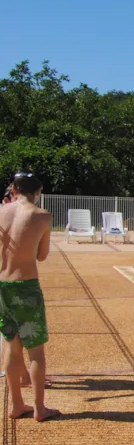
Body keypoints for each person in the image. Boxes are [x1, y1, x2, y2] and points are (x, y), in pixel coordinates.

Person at [0, 171, 59, 421]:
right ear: (38, 191)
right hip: (27, 286)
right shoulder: (43, 216)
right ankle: (39, 408)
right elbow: (41, 256)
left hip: (2, 285)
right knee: (36, 351)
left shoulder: (1, 212)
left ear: (14, 189)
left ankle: (16, 405)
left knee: (11, 346)